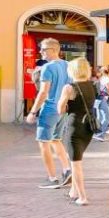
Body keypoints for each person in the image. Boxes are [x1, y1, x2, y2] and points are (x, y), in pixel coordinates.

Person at [26, 39, 73, 189]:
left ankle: (52, 178)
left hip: (50, 109)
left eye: (44, 49)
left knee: (43, 143)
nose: (41, 52)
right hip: (63, 109)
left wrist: (33, 111)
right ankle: (67, 170)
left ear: (54, 50)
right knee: (56, 139)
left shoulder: (47, 67)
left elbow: (43, 92)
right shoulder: (68, 66)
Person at [57, 58, 97, 206]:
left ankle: (83, 197)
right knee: (77, 157)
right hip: (88, 127)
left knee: (76, 163)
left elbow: (60, 110)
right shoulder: (93, 85)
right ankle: (73, 191)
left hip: (74, 127)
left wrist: (64, 102)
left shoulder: (69, 87)